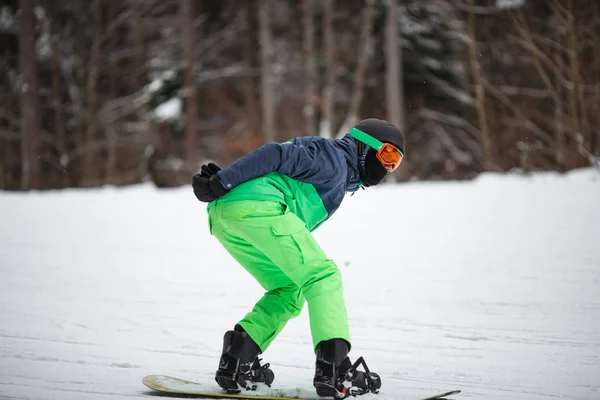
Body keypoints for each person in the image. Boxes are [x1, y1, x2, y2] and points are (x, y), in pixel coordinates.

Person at [192, 118, 405, 398]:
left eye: (396, 162)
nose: (388, 167)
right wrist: (224, 180)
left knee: (290, 288)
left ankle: (238, 360)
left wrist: (231, 185)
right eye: (387, 155)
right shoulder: (334, 159)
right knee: (323, 276)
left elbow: (277, 168)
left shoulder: (338, 173)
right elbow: (275, 154)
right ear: (366, 147)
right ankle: (335, 369)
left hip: (227, 215)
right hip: (257, 208)